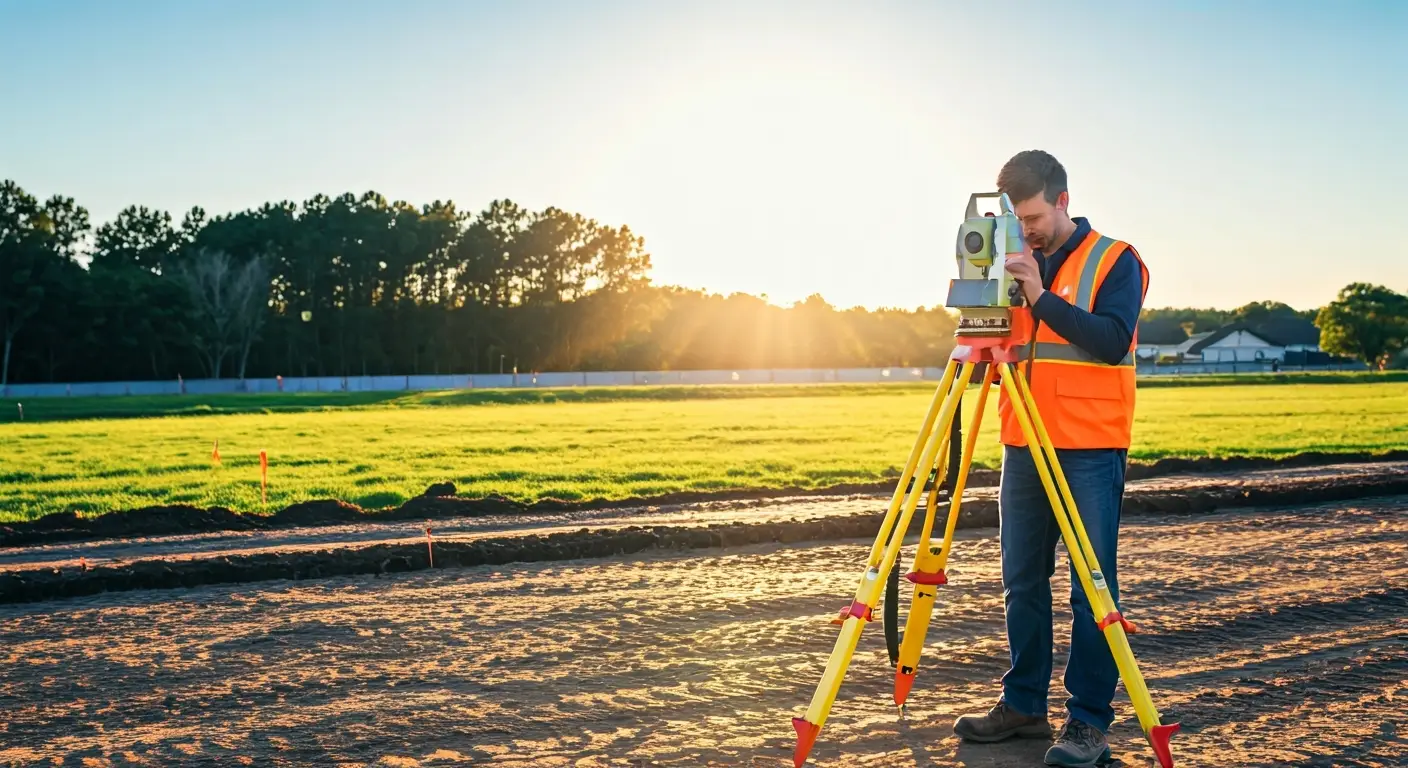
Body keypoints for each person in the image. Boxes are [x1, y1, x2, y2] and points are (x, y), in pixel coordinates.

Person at [951, 150, 1149, 767]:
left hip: (1090, 446)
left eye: (1034, 217)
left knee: (1093, 590)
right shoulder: (1010, 259)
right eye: (1016, 218)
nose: (1026, 229)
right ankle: (1023, 705)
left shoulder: (1116, 260)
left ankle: (1088, 722)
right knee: (1022, 582)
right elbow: (1004, 345)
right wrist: (979, 312)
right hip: (1023, 444)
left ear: (1062, 201)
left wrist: (1038, 296)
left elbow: (1111, 341)